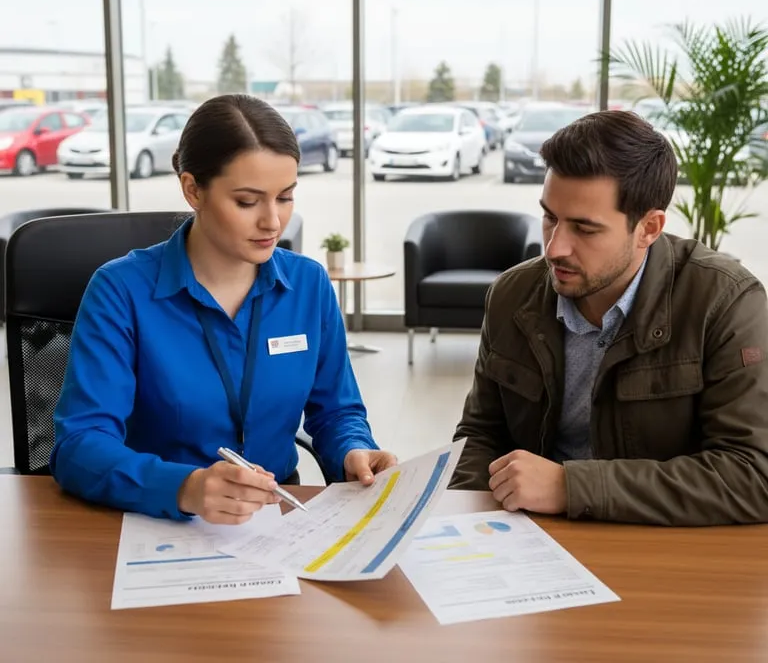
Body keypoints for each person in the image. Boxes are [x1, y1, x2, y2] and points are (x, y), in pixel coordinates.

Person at [51, 94, 396, 523]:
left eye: (285, 197)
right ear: (193, 189)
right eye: (248, 202)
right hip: (157, 520)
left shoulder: (308, 284)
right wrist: (183, 487)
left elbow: (338, 411)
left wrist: (352, 450)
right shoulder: (120, 290)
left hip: (278, 520)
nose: (272, 221)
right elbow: (79, 444)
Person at [451, 110, 768, 526]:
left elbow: (753, 475)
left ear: (649, 228)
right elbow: (480, 436)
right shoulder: (512, 296)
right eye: (550, 217)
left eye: (584, 229)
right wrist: (461, 523)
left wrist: (572, 486)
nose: (554, 247)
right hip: (529, 543)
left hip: (659, 550)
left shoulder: (724, 302)